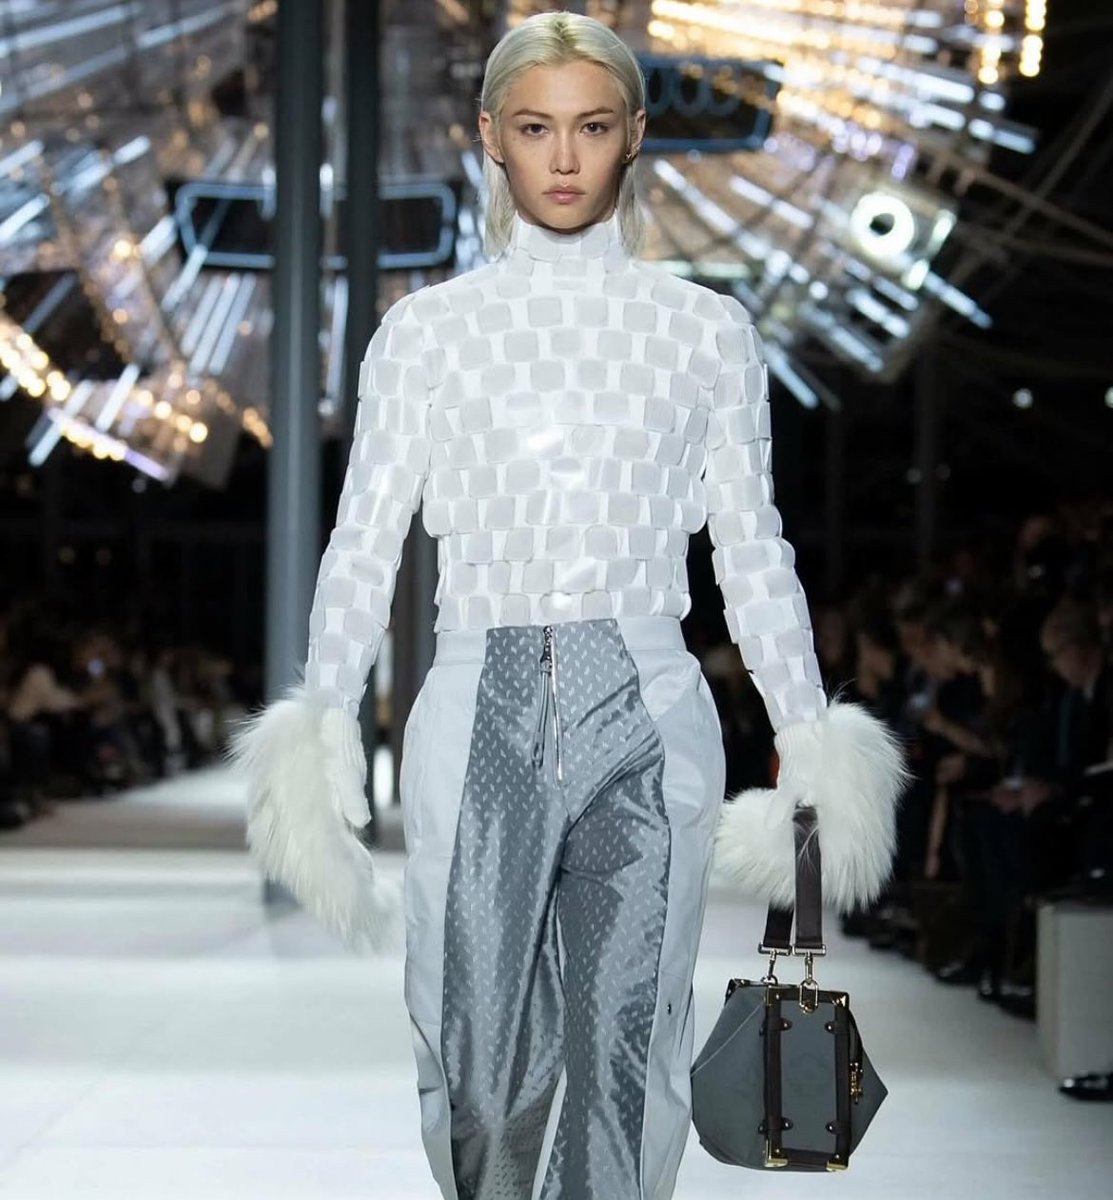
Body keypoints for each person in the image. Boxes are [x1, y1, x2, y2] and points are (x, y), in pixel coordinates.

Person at [231, 11, 909, 1197]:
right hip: (475, 704)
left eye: (590, 128)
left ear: (633, 135)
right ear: (490, 134)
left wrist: (807, 733)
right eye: (536, 128)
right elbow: (363, 543)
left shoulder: (705, 332)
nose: (562, 157)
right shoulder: (426, 335)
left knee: (626, 1049)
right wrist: (324, 713)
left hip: (648, 704)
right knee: (477, 1056)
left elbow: (752, 547)